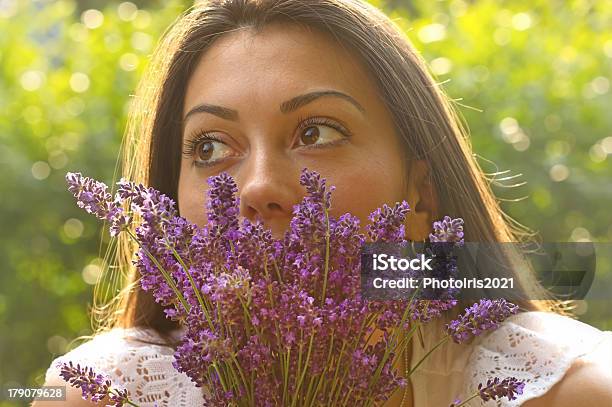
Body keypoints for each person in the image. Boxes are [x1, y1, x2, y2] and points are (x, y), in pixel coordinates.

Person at [35, 1, 612, 406]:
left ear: (419, 194)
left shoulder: (564, 390)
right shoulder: (106, 395)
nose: (257, 186)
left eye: (317, 133)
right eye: (210, 146)